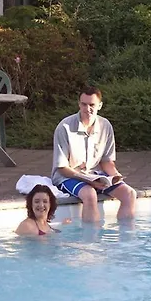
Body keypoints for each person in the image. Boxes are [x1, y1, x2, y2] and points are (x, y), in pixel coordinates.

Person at [52, 86, 137, 223]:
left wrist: (116, 177)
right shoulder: (64, 127)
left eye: (92, 105)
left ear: (100, 106)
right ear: (79, 104)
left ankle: (126, 234)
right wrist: (89, 181)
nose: (87, 109)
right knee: (90, 195)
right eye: (84, 104)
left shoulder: (105, 126)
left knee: (130, 193)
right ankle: (91, 236)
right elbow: (62, 168)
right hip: (68, 176)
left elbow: (107, 161)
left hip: (95, 175)